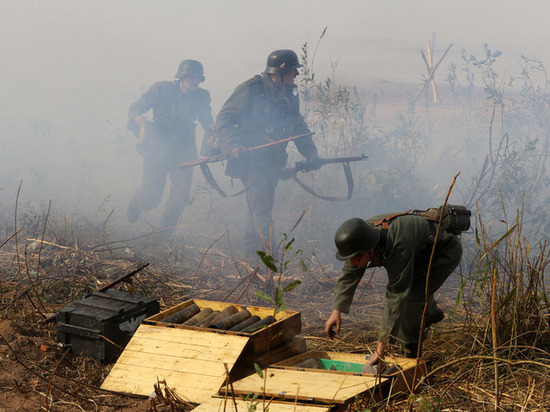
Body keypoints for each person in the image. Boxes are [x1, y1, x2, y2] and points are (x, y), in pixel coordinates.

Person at [214, 49, 320, 258]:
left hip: (273, 161)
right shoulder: (250, 89)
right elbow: (223, 119)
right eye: (293, 71)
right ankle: (267, 259)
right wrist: (232, 145)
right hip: (249, 160)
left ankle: (250, 256)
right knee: (261, 209)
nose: (296, 75)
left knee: (260, 208)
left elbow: (297, 125)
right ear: (279, 72)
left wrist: (311, 153)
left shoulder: (289, 93)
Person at [324, 212, 463, 365]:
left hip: (442, 251)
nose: (353, 262)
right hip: (417, 251)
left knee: (411, 300)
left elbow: (397, 295)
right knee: (413, 300)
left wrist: (380, 347)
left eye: (356, 258)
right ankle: (429, 314)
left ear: (369, 249)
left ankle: (410, 359)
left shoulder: (399, 244)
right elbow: (348, 274)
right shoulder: (360, 239)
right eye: (349, 258)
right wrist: (336, 311)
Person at [126, 59, 214, 230]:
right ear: (182, 77)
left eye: (198, 78)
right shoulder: (160, 89)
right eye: (191, 78)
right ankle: (138, 201)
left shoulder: (201, 97)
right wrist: (137, 117)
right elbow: (136, 107)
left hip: (185, 150)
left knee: (181, 196)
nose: (195, 82)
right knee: (150, 199)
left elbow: (207, 120)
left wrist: (215, 134)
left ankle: (163, 235)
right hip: (158, 148)